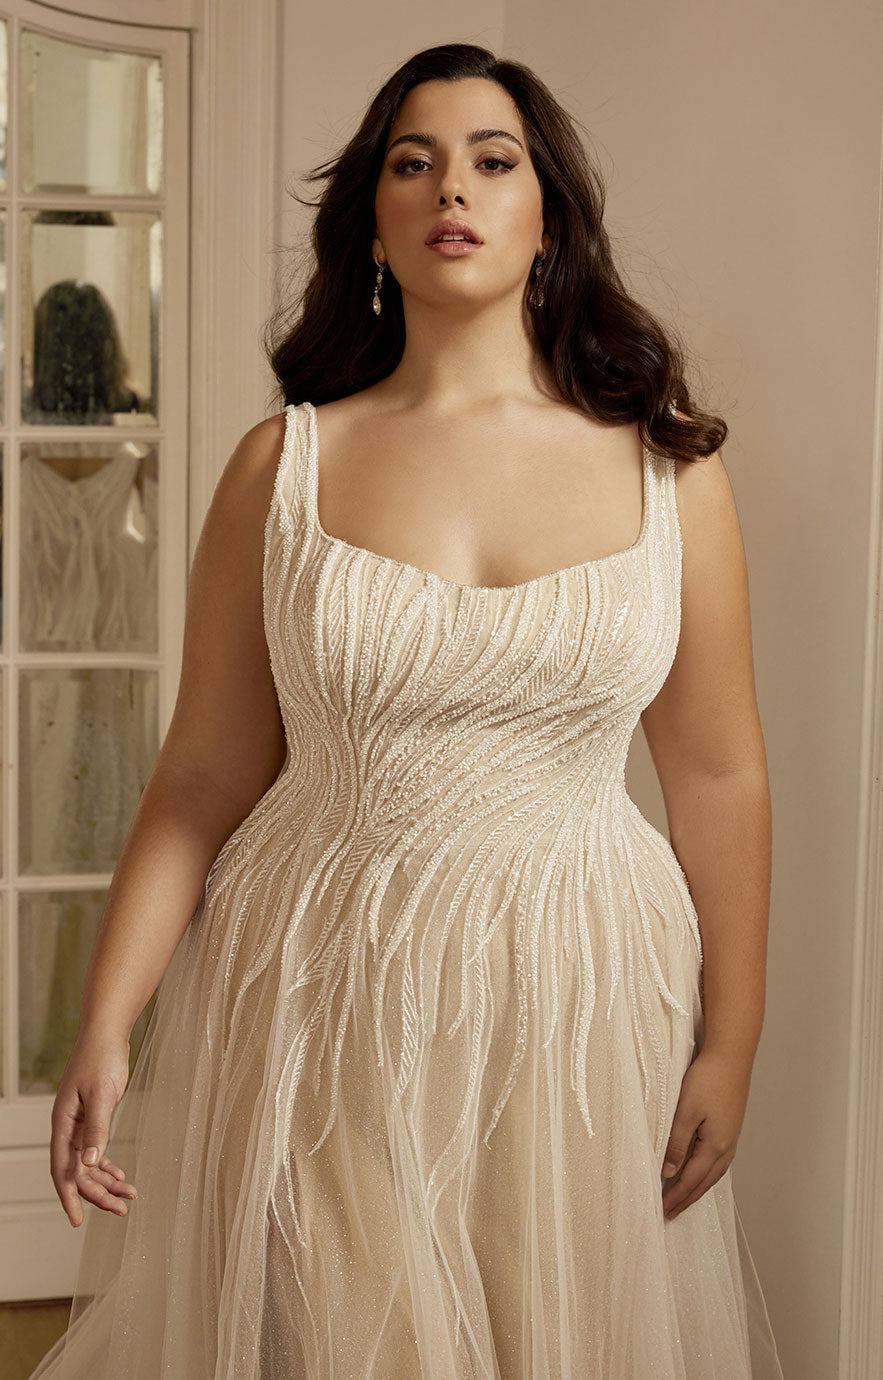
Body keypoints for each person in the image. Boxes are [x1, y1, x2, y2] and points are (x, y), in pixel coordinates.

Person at [32, 41, 784, 1379]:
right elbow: (202, 776)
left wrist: (734, 1036)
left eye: (495, 162)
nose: (455, 187)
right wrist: (106, 1017)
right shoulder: (284, 465)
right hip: (321, 972)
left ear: (548, 216)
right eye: (413, 162)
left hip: (583, 986)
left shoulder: (671, 467)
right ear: (374, 222)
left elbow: (719, 772)